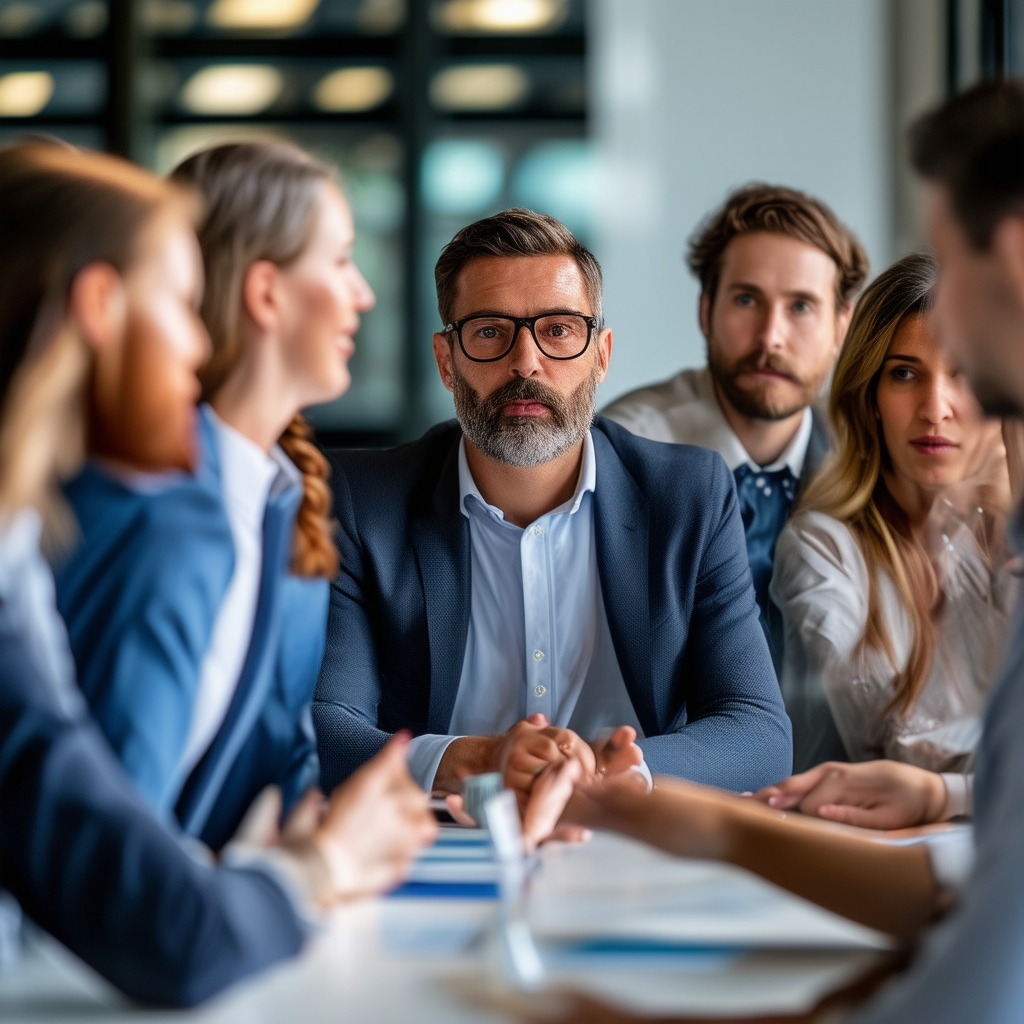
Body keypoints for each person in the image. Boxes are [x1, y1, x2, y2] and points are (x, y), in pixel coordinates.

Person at [543, 78, 1024, 1024]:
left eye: (803, 307)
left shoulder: (922, 495)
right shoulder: (647, 464)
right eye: (747, 302)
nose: (938, 396)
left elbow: (990, 954)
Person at [0, 141, 435, 1006]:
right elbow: (118, 852)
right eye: (179, 302)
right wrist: (315, 867)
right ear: (99, 306)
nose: (198, 341)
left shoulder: (272, 502)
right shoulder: (160, 515)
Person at [314, 208, 792, 808]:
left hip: (633, 847)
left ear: (601, 355)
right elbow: (324, 731)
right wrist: (475, 759)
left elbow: (758, 732)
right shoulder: (364, 502)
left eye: (559, 329)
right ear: (446, 360)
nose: (526, 362)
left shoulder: (690, 496)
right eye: (489, 330)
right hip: (441, 851)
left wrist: (613, 771)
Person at [52, 141, 374, 851]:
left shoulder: (285, 502)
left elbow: (278, 777)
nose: (363, 294)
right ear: (266, 293)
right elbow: (113, 806)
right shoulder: (154, 503)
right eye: (342, 260)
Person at [604, 185, 868, 677]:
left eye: (802, 306)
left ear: (841, 327)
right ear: (705, 311)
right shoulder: (628, 451)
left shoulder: (869, 452)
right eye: (747, 299)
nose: (771, 336)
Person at [771, 251, 1017, 774]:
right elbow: (897, 748)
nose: (935, 407)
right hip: (855, 844)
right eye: (905, 374)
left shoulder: (1004, 543)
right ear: (871, 397)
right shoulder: (821, 547)